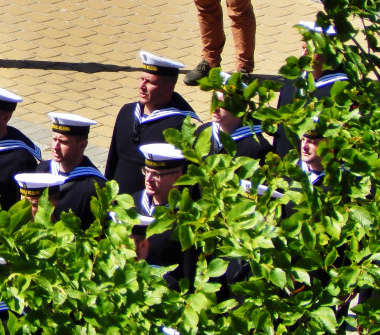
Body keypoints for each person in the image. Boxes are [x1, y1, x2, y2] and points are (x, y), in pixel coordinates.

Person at [105, 52, 198, 198]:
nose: (142, 86)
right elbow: (113, 159)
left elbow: (183, 177)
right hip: (117, 205)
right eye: (141, 79)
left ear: (169, 88)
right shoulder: (127, 111)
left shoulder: (178, 125)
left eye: (150, 82)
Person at [272, 21, 348, 157]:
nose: (304, 53)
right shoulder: (294, 77)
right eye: (303, 47)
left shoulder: (341, 89)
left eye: (311, 50)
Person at [135, 143, 196, 286]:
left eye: (156, 174)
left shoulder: (186, 218)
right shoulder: (132, 202)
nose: (148, 179)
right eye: (146, 171)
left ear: (178, 178)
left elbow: (188, 275)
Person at [37, 112, 107, 229]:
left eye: (63, 142)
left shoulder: (94, 186)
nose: (55, 147)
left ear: (82, 145)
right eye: (54, 139)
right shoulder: (43, 169)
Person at [195, 84, 271, 160]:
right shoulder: (203, 131)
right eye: (214, 101)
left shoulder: (258, 147)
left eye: (222, 104)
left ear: (239, 108)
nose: (215, 108)